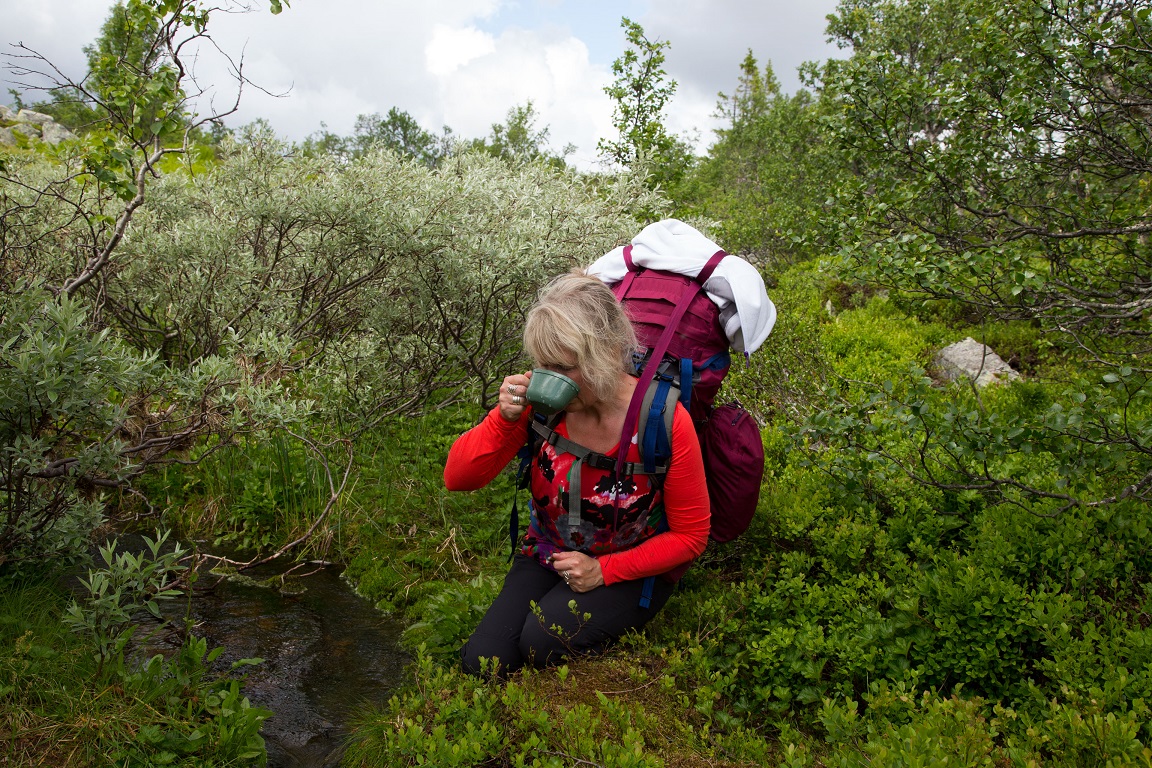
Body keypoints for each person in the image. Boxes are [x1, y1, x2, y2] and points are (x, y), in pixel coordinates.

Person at [444, 270, 710, 676]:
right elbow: (458, 478)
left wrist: (604, 572)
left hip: (630, 562)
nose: (550, 379)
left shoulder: (663, 420)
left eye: (564, 367)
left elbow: (691, 536)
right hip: (548, 551)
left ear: (605, 353)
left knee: (542, 643)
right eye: (543, 365)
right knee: (485, 661)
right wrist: (502, 419)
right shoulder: (544, 403)